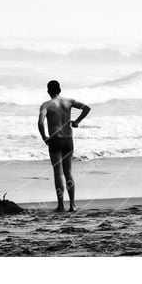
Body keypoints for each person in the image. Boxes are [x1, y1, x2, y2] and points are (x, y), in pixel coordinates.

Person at [37, 80, 91, 212]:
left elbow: (40, 122)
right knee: (68, 172)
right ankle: (72, 205)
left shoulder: (46, 105)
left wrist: (44, 137)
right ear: (60, 90)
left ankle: (61, 205)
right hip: (68, 140)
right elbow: (87, 108)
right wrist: (77, 121)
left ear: (48, 91)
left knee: (58, 173)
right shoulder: (69, 102)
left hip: (55, 140)